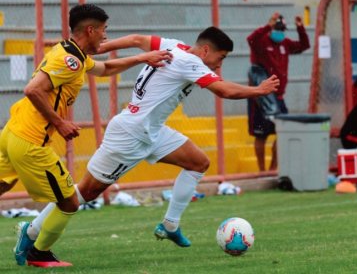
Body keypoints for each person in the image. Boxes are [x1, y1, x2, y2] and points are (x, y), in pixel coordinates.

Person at [13, 27, 280, 265]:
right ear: (207, 50)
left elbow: (137, 39)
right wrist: (259, 90)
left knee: (198, 162)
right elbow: (224, 90)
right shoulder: (190, 61)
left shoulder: (173, 45)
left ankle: (170, 224)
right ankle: (33, 231)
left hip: (152, 131)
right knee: (84, 193)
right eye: (220, 59)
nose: (219, 66)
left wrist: (101, 47)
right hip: (130, 135)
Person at [0, 3, 172, 268]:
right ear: (90, 30)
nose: (105, 36)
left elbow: (105, 69)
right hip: (30, 141)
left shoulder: (72, 53)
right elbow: (32, 89)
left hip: (12, 131)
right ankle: (39, 252)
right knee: (69, 202)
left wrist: (142, 58)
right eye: (103, 30)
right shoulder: (69, 60)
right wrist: (59, 123)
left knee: (2, 185)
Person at [246, 12, 310, 171]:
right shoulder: (261, 42)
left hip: (279, 97)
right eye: (277, 28)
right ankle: (262, 170)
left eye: (282, 28)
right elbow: (250, 39)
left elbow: (304, 45)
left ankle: (273, 167)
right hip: (261, 98)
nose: (279, 31)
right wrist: (269, 25)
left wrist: (300, 28)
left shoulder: (285, 44)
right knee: (261, 134)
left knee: (283, 131)